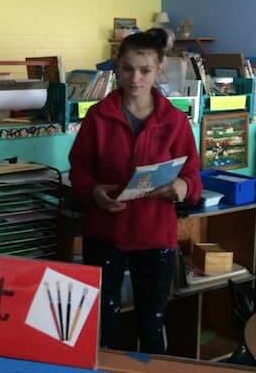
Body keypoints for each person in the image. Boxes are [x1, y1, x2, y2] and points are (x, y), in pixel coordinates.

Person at [69, 28, 201, 354]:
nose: (135, 78)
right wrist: (93, 191)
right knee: (103, 322)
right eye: (127, 68)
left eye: (145, 70)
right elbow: (80, 169)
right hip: (105, 234)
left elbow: (193, 174)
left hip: (155, 236)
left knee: (151, 323)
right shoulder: (98, 117)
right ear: (116, 67)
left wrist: (183, 187)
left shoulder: (174, 121)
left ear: (158, 70)